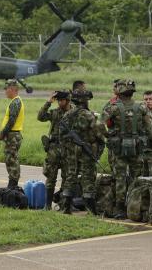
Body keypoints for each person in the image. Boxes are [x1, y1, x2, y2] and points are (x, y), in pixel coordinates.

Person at [101, 79, 152, 219]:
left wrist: (108, 135)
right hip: (136, 147)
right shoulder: (141, 108)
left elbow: (98, 124)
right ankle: (136, 206)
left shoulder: (113, 108)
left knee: (120, 178)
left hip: (118, 148)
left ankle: (120, 209)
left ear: (120, 91)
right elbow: (150, 129)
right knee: (136, 178)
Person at [60, 87, 103, 215]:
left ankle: (66, 208)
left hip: (71, 151)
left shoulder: (67, 114)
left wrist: (68, 147)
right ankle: (91, 210)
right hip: (86, 151)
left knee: (70, 176)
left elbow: (61, 134)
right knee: (88, 177)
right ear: (85, 101)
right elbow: (98, 133)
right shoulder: (89, 115)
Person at [38, 90, 73, 210]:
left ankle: (64, 204)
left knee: (67, 177)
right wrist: (48, 102)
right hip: (54, 148)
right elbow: (40, 117)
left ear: (67, 100)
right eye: (57, 100)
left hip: (68, 149)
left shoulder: (74, 113)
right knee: (50, 177)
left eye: (61, 100)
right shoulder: (55, 112)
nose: (59, 102)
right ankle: (47, 205)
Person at [0, 79, 25, 188]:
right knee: (11, 159)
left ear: (12, 89)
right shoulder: (14, 101)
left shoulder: (16, 102)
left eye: (6, 89)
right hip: (12, 135)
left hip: (13, 135)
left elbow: (11, 121)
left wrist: (2, 134)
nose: (5, 91)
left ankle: (13, 185)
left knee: (12, 160)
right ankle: (12, 184)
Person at [102, 79, 121, 171]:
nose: (113, 89)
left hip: (125, 138)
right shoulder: (111, 102)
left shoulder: (129, 102)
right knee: (112, 161)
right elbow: (104, 118)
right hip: (112, 138)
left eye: (115, 86)